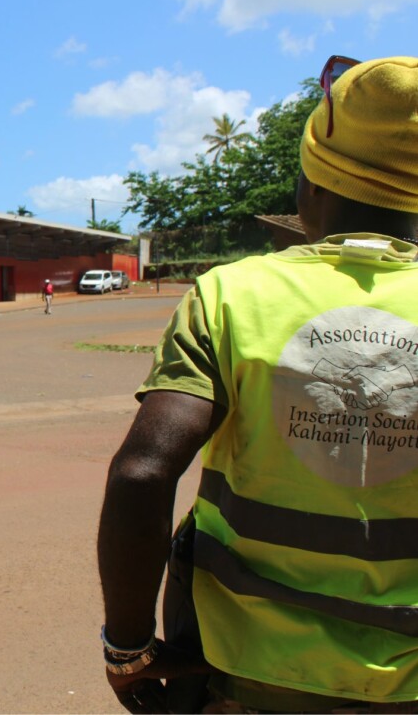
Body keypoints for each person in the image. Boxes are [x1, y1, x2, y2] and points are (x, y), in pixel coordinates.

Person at [98, 55, 418, 714]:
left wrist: (128, 647)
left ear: (311, 183)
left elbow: (142, 474)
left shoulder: (233, 296)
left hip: (246, 678)